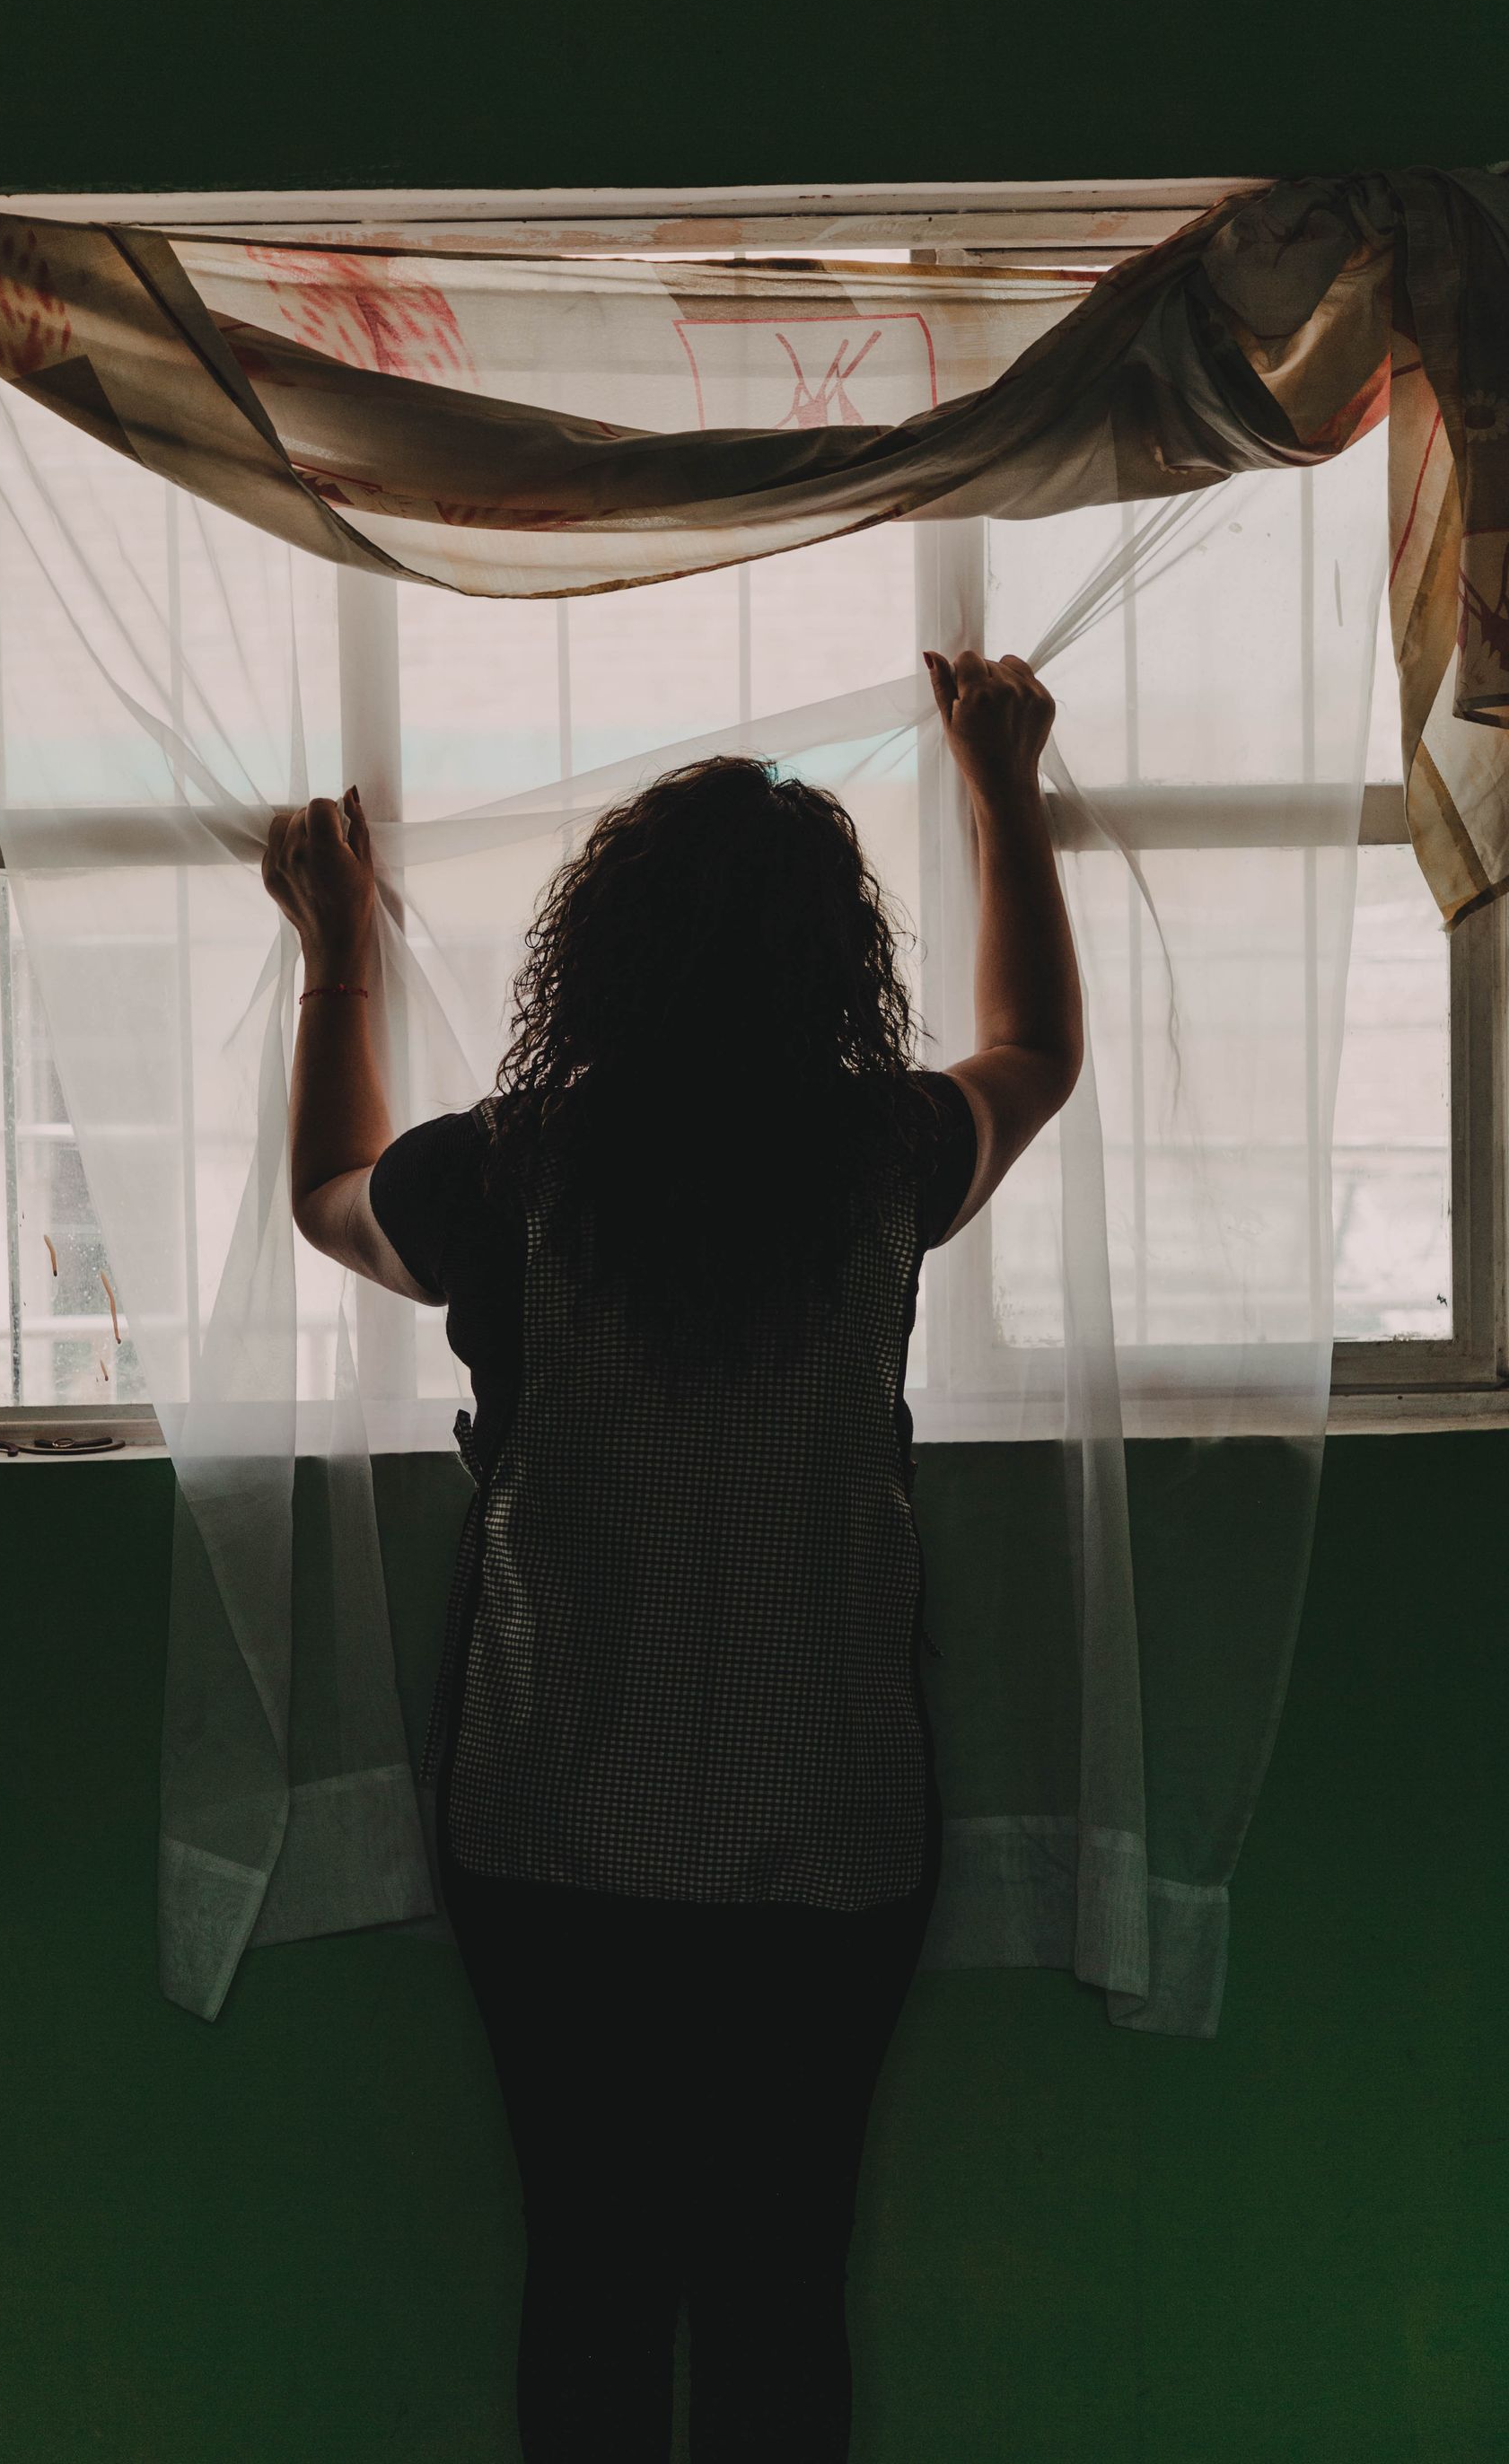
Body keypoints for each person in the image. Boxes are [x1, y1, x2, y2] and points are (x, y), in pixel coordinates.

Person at [262, 647, 1082, 2464]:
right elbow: (1035, 1053)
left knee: (596, 2278)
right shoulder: (882, 1154)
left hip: (555, 1832)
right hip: (837, 1831)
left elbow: (324, 1193)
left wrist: (333, 949)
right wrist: (1004, 784)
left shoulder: (506, 1175)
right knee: (782, 2281)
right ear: (837, 970)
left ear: (597, 958)